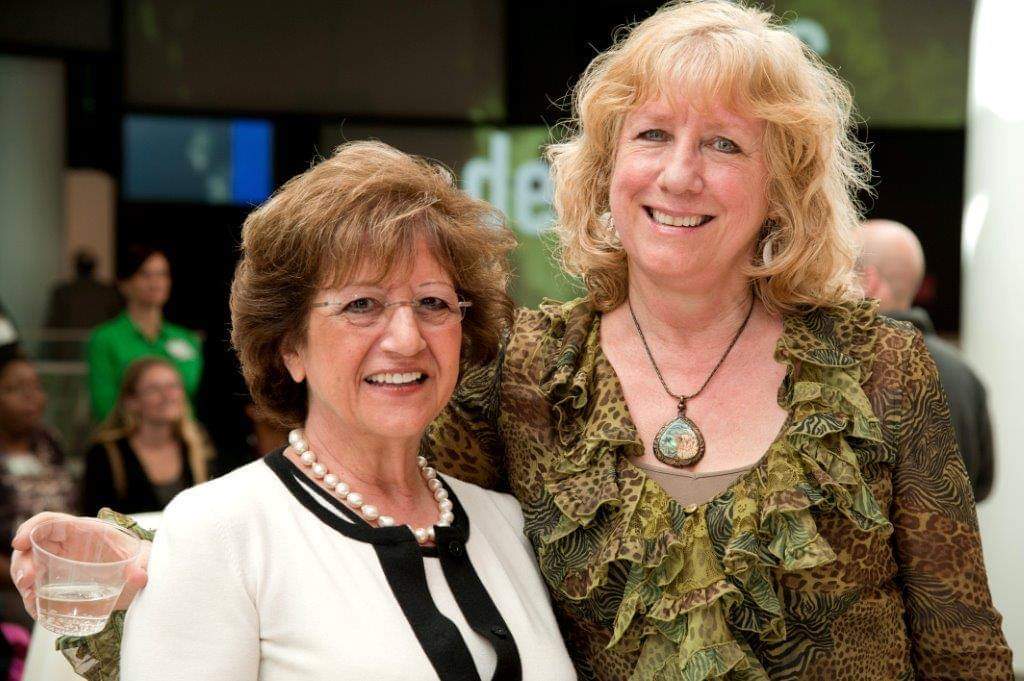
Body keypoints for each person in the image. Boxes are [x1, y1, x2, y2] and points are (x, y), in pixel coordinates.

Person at [10, 2, 1013, 678]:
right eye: (651, 136)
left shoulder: (882, 369)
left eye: (724, 144)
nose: (678, 175)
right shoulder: (523, 371)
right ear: (605, 168)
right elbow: (362, 510)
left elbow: (965, 651)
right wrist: (143, 550)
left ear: (781, 186)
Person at [12, 142, 577, 680]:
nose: (406, 338)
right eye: (362, 304)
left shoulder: (507, 524)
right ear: (291, 347)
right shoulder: (218, 533)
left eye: (433, 303)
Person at [858, 218, 995, 502]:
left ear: (868, 282)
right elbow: (982, 486)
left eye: (835, 272)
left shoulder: (847, 367)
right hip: (951, 545)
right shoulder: (965, 375)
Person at [80, 356, 216, 516]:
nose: (167, 396)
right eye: (154, 389)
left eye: (173, 386)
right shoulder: (105, 453)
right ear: (131, 401)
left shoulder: (199, 446)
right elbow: (93, 520)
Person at [0, 345, 76, 627]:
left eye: (36, 386)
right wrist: (34, 575)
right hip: (11, 585)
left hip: (64, 577)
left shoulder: (49, 441)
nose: (30, 396)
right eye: (15, 388)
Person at [86, 245, 203, 422]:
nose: (156, 282)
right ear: (124, 284)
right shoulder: (104, 338)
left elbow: (193, 399)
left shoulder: (186, 338)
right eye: (145, 274)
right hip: (127, 438)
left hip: (181, 440)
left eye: (162, 274)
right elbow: (104, 405)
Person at [45, 249, 123, 331]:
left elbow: (53, 324)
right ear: (94, 267)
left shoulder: (62, 292)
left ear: (76, 267)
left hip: (82, 341)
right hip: (87, 341)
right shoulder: (108, 292)